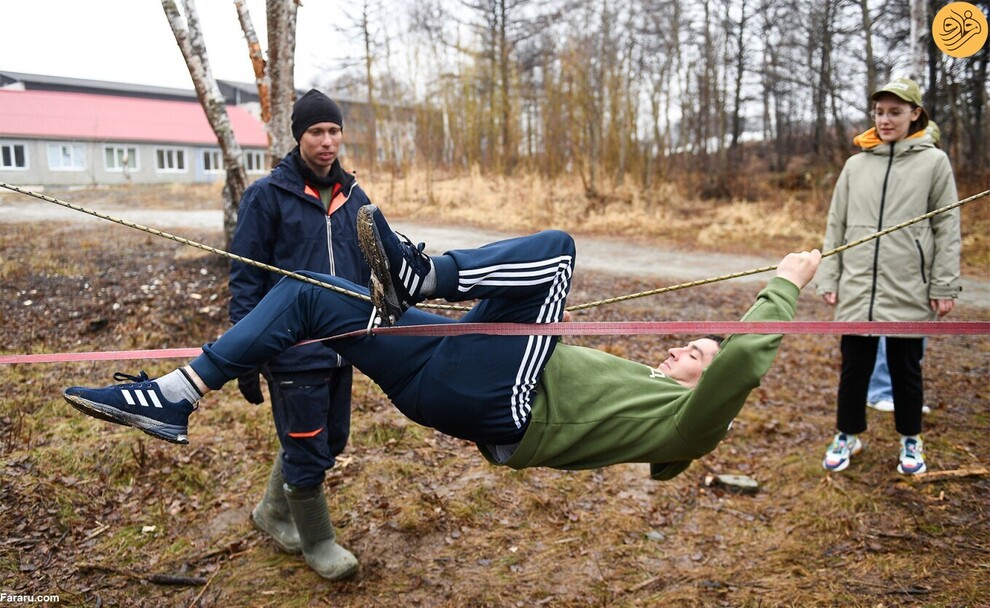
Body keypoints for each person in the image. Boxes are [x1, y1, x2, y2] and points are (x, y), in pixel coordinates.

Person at [63, 205, 821, 487]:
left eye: (694, 354)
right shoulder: (648, 405)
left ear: (705, 385)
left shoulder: (688, 423)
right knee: (308, 293)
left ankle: (423, 273)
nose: (678, 353)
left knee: (555, 252)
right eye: (685, 345)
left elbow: (744, 365)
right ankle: (175, 395)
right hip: (447, 370)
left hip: (500, 404)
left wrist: (786, 282)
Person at [228, 89, 370, 581]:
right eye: (316, 132)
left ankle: (272, 512)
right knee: (308, 446)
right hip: (290, 348)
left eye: (333, 131)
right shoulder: (266, 197)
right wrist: (243, 351)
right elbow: (245, 278)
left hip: (342, 346)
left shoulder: (355, 197)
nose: (327, 141)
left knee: (328, 439)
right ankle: (320, 543)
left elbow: (377, 264)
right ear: (299, 137)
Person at [817, 78, 961, 475]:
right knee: (854, 369)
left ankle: (910, 440)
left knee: (906, 370)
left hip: (909, 286)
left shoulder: (934, 162)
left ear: (915, 114)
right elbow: (836, 224)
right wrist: (829, 276)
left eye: (895, 112)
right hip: (858, 286)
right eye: (879, 112)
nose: (885, 120)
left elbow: (947, 226)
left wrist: (944, 284)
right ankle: (847, 434)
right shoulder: (855, 164)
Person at [866, 121, 940, 416]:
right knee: (889, 329)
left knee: (914, 335)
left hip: (919, 269)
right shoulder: (885, 175)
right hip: (889, 268)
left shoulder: (934, 174)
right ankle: (880, 390)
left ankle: (901, 390)